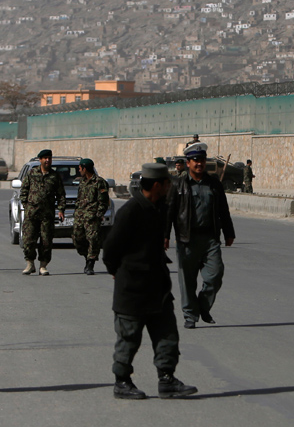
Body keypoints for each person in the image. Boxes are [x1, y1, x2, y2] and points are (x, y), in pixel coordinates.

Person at [103, 163, 197, 400]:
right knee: (129, 339)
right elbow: (110, 250)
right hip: (132, 290)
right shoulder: (131, 211)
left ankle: (167, 380)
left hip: (157, 289)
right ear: (157, 185)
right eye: (167, 184)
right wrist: (118, 271)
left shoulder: (160, 208)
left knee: (167, 335)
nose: (170, 188)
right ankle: (122, 382)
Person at [165, 142, 236, 329]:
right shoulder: (178, 184)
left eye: (202, 160)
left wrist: (229, 232)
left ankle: (203, 306)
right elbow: (169, 211)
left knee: (215, 274)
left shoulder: (214, 184)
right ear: (188, 163)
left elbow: (223, 210)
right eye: (195, 160)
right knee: (187, 280)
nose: (199, 164)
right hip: (186, 239)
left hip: (210, 238)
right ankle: (190, 315)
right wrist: (164, 235)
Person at [20, 149, 66, 276]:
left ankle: (43, 266)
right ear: (40, 160)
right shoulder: (31, 173)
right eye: (45, 158)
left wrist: (61, 209)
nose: (47, 160)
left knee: (46, 241)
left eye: (49, 158)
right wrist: (26, 205)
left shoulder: (54, 176)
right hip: (32, 214)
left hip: (47, 214)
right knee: (28, 240)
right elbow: (24, 190)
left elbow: (61, 194)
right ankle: (30, 264)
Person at [72, 158, 110, 276]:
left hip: (92, 217)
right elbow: (79, 198)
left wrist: (98, 215)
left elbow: (103, 202)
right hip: (80, 217)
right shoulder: (82, 182)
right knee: (77, 239)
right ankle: (87, 256)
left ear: (85, 168)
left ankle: (90, 263)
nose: (79, 171)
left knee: (93, 240)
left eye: (80, 168)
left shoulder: (99, 182)